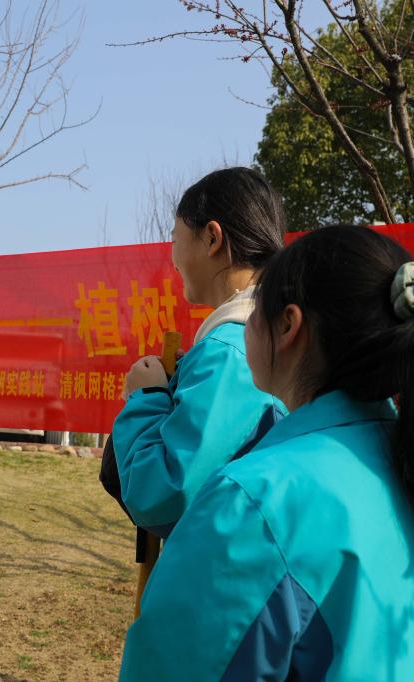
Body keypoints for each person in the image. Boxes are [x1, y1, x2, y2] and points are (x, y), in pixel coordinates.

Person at [121, 224, 414, 680]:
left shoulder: (252, 503)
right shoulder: (397, 463)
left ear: (288, 326)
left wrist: (145, 403)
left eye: (255, 308)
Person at [109, 167, 285, 536]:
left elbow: (162, 496)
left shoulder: (229, 353)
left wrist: (148, 397)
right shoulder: (276, 332)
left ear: (211, 238)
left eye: (175, 239)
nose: (172, 257)